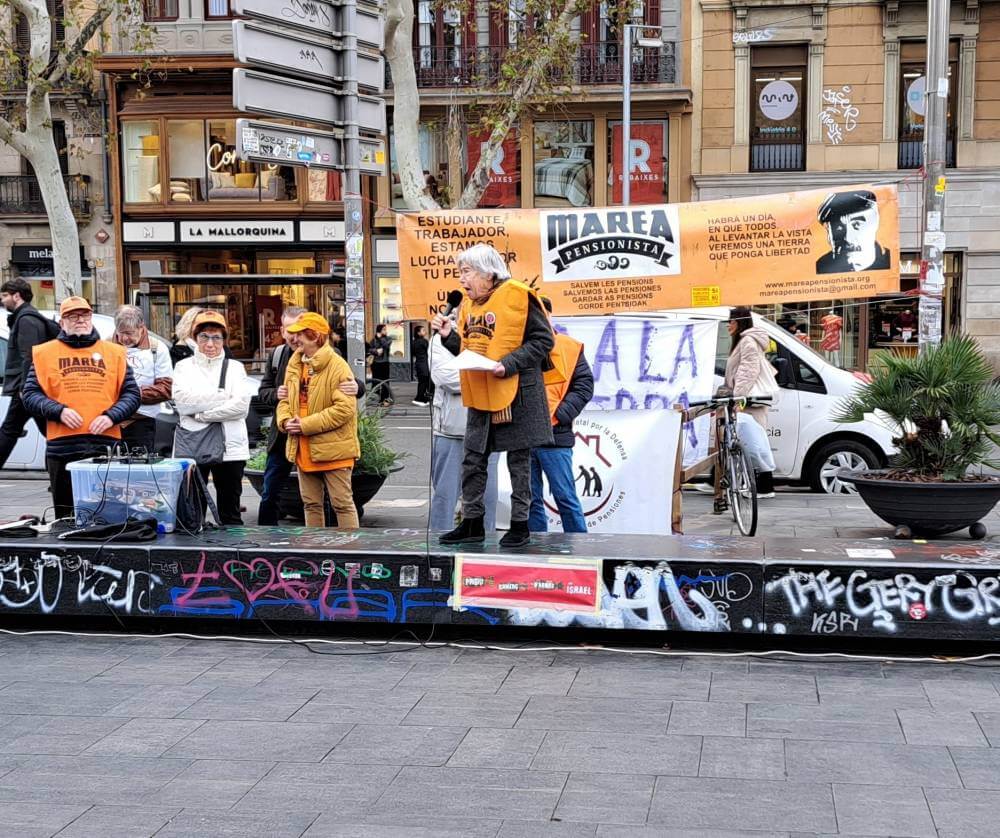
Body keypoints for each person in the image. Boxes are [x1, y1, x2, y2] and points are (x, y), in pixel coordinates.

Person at [431, 243, 554, 548]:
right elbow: (472, 346)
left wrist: (508, 365)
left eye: (467, 271)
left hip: (517, 394)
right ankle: (472, 523)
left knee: (518, 463)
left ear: (488, 272)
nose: (461, 280)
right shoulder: (470, 306)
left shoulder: (520, 296)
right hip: (481, 390)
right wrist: (449, 336)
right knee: (473, 459)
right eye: (460, 272)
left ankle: (520, 525)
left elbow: (544, 341)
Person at [21, 297, 141, 520]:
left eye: (84, 315)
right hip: (62, 447)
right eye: (73, 316)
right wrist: (59, 411)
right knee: (66, 517)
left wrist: (111, 416)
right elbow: (29, 395)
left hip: (105, 444)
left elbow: (132, 394)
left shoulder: (114, 353)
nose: (80, 320)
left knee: (108, 515)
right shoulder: (44, 353)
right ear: (62, 321)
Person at [276, 312, 360, 530]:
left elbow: (344, 410)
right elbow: (285, 401)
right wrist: (285, 421)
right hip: (304, 447)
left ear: (316, 337)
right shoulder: (295, 364)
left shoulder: (338, 365)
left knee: (342, 504)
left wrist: (304, 425)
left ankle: (352, 553)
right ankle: (315, 552)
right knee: (310, 504)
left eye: (300, 334)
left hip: (334, 450)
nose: (295, 339)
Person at [172, 310, 251, 526]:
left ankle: (234, 556)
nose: (210, 343)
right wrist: (221, 397)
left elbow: (241, 407)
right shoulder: (183, 367)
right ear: (195, 338)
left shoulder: (235, 368)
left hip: (231, 447)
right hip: (195, 444)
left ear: (224, 340)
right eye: (204, 336)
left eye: (216, 337)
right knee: (194, 510)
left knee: (230, 512)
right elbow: (183, 402)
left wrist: (203, 415)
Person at [429, 310, 499, 532]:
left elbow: (502, 372)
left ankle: (485, 548)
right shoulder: (439, 338)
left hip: (488, 428)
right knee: (444, 496)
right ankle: (440, 549)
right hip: (450, 430)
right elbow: (443, 377)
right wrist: (484, 375)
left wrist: (482, 374)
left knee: (487, 498)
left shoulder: (493, 336)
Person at [529, 297, 593, 534]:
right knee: (528, 501)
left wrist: (561, 414)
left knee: (565, 497)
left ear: (549, 316)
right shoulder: (519, 345)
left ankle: (579, 550)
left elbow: (584, 385)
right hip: (524, 436)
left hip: (555, 435)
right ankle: (534, 549)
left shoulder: (569, 347)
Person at [255, 305, 306, 526]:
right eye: (288, 330)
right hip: (282, 434)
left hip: (313, 432)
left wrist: (357, 387)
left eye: (298, 330)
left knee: (318, 496)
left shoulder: (324, 353)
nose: (293, 337)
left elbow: (351, 383)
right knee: (270, 491)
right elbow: (262, 392)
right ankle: (266, 541)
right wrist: (276, 393)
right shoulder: (276, 355)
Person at [724, 306, 778, 499]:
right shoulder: (745, 340)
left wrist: (738, 399)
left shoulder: (747, 341)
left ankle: (764, 488)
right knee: (753, 441)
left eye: (731, 321)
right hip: (748, 400)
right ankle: (761, 486)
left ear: (739, 322)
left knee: (754, 443)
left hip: (749, 401)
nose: (728, 326)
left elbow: (748, 371)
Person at [0, 278, 54, 468]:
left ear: (17, 296)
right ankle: (60, 475)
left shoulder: (27, 320)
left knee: (9, 430)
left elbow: (29, 355)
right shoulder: (28, 317)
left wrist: (25, 387)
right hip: (32, 387)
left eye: (5, 295)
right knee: (52, 432)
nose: (2, 300)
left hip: (28, 388)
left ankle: (60, 474)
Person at [112, 305, 173, 454]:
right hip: (110, 422)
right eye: (121, 333)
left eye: (130, 333)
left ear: (141, 327)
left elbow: (166, 388)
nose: (125, 338)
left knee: (140, 473)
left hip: (142, 422)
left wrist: (132, 395)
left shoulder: (157, 348)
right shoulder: (106, 346)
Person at [815, 189, 891, 274]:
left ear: (875, 223)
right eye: (838, 227)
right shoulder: (820, 268)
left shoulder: (891, 261)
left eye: (856, 224)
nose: (848, 238)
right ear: (828, 233)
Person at [369, 324, 393, 406]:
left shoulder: (388, 339)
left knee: (385, 381)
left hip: (384, 362)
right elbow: (369, 349)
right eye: (383, 329)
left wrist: (379, 338)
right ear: (379, 330)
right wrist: (376, 351)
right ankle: (377, 398)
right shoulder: (373, 340)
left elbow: (386, 345)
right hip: (376, 363)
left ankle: (386, 398)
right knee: (376, 381)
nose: (385, 331)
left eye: (385, 329)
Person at [411, 324, 431, 406]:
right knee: (424, 381)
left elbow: (413, 353)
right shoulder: (424, 341)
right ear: (418, 333)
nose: (425, 331)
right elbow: (429, 351)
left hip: (419, 363)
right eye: (423, 330)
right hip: (424, 364)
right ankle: (419, 398)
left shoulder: (414, 342)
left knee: (422, 382)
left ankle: (422, 398)